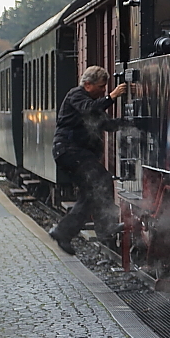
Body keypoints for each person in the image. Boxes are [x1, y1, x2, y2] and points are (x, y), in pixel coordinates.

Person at [47, 66, 126, 255]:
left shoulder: (91, 101)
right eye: (101, 87)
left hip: (75, 153)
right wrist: (112, 97)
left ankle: (67, 232)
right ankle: (100, 228)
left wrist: (132, 123)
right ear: (88, 84)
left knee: (91, 193)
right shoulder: (77, 96)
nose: (104, 91)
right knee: (102, 181)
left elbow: (107, 124)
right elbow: (88, 110)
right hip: (69, 151)